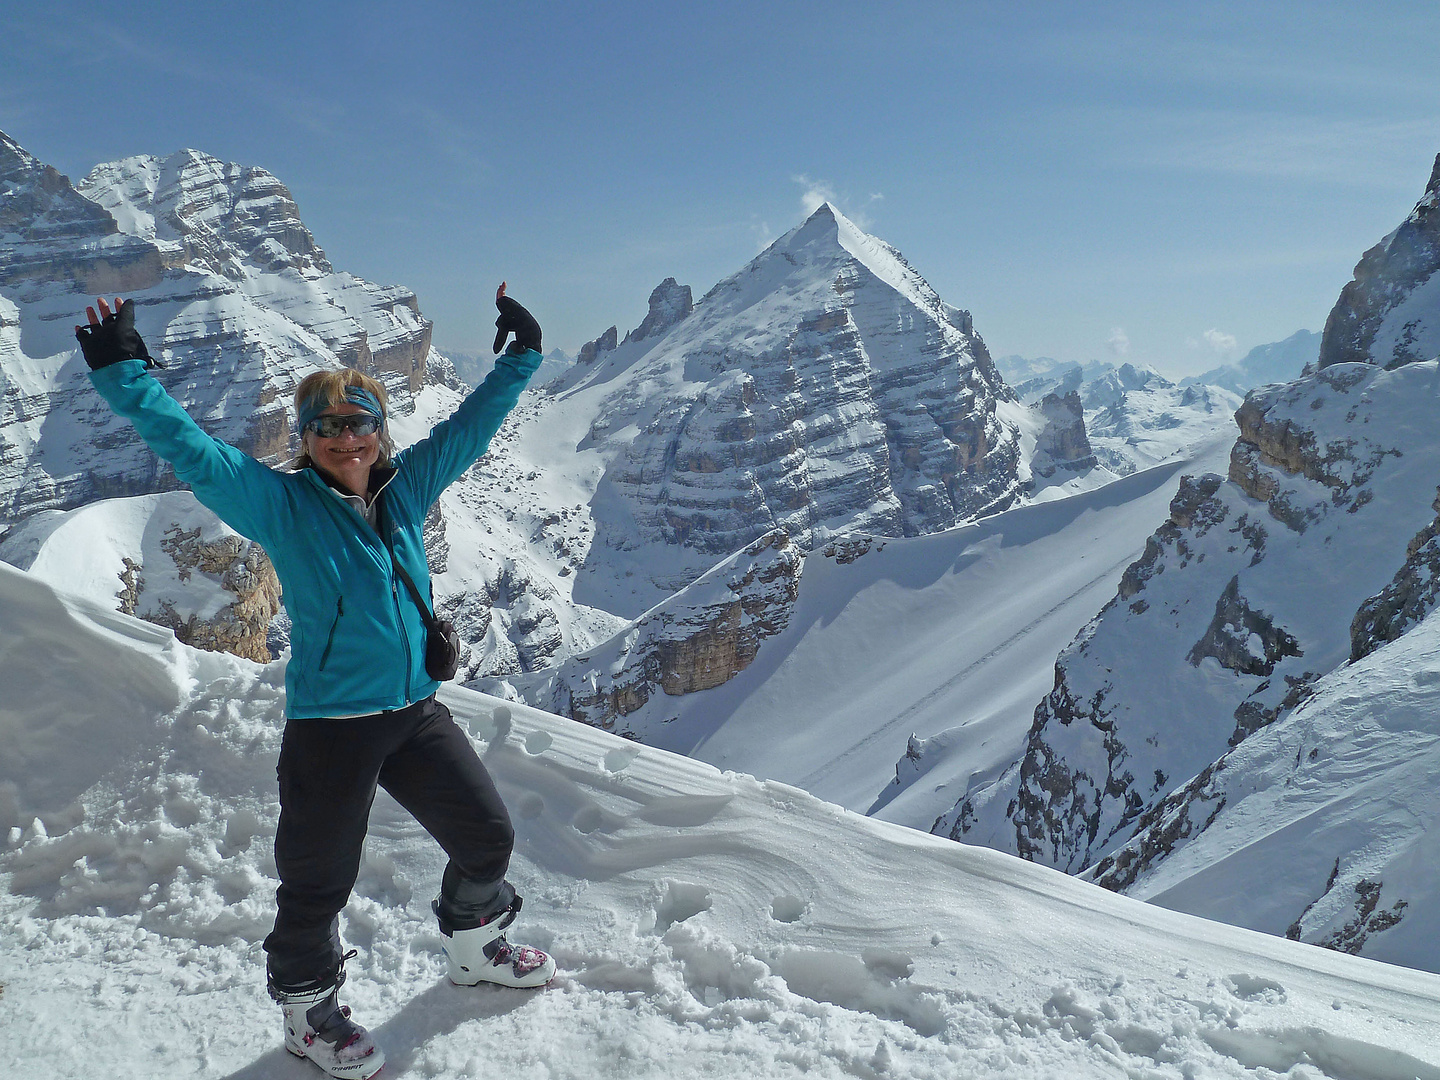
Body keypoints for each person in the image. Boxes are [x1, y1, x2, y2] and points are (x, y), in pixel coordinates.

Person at [77, 286, 554, 1080]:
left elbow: (470, 431)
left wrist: (522, 358)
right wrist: (127, 377)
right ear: (305, 440)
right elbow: (197, 451)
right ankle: (309, 1016)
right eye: (326, 427)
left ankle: (474, 948)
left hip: (414, 711)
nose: (346, 438)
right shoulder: (282, 505)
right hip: (333, 725)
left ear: (379, 430)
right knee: (316, 880)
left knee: (487, 838)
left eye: (359, 422)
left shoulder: (406, 490)